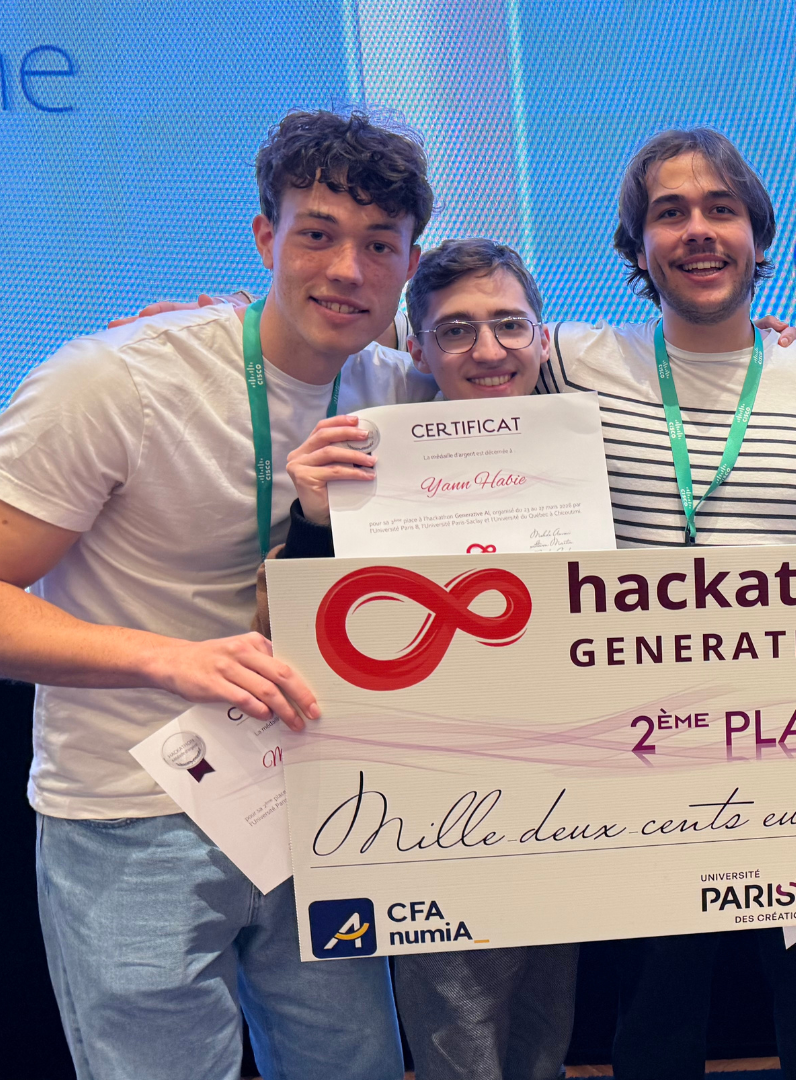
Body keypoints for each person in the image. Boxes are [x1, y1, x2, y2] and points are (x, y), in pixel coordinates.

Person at [0, 109, 434, 1079]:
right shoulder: (116, 382)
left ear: (408, 264)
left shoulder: (400, 393)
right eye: (317, 234)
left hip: (325, 801)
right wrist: (168, 659)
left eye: (377, 245)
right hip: (132, 807)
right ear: (266, 237)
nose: (346, 270)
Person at [535, 127, 796, 1079]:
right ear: (635, 247)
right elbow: (445, 339)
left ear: (758, 237)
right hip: (641, 755)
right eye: (669, 213)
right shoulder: (575, 363)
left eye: (721, 210)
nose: (697, 231)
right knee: (656, 1012)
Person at [261, 238, 580, 1080]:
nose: (488, 349)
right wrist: (313, 522)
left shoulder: (584, 446)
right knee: (458, 1037)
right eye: (457, 330)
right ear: (416, 348)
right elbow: (303, 629)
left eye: (510, 324)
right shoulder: (373, 458)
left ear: (543, 337)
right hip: (428, 800)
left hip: (570, 792)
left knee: (546, 1032)